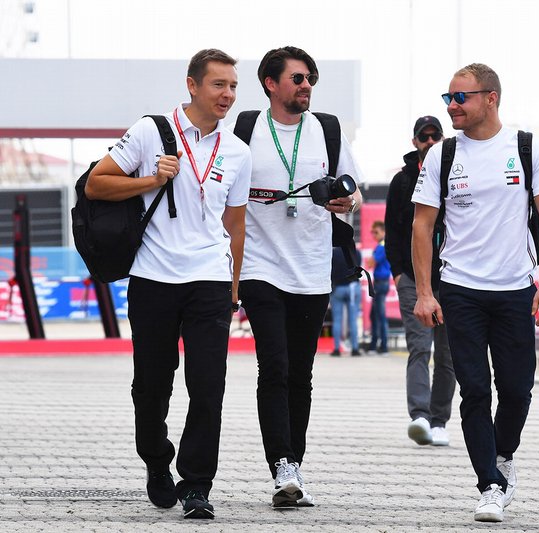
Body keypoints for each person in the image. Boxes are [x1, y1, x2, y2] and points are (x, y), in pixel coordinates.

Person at [85, 49, 252, 519]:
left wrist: (233, 286)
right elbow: (96, 185)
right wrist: (148, 181)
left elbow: (235, 224)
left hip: (210, 281)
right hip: (153, 278)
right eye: (219, 84)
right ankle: (158, 461)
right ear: (193, 85)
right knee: (153, 384)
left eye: (234, 86)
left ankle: (197, 483)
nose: (228, 95)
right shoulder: (150, 132)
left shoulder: (237, 150)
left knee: (209, 384)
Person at [411, 63, 539, 523]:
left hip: (517, 288)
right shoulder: (442, 155)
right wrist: (424, 292)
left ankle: (503, 456)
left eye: (461, 98)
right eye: (448, 98)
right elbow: (421, 225)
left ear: (490, 98)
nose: (452, 106)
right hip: (460, 290)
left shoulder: (526, 146)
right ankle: (490, 485)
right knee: (475, 390)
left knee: (516, 389)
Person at [237, 45, 364, 508]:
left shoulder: (327, 129)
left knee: (301, 373)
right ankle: (282, 465)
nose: (306, 84)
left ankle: (295, 469)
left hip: (312, 268)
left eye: (310, 77)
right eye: (297, 78)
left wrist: (345, 202)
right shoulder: (245, 129)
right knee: (274, 364)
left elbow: (353, 190)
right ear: (271, 84)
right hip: (258, 265)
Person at [385, 115, 455, 447]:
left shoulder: (456, 173)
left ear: (442, 138)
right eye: (423, 137)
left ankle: (439, 419)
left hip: (453, 277)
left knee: (448, 352)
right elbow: (393, 234)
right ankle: (420, 417)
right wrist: (400, 274)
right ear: (414, 141)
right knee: (418, 347)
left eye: (434, 136)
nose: (429, 141)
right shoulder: (401, 182)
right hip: (413, 278)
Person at [330, 246, 362, 356]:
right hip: (353, 288)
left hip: (338, 288)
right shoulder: (356, 252)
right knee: (353, 320)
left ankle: (337, 349)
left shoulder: (333, 254)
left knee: (337, 320)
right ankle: (355, 348)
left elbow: (330, 271)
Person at [367, 220, 390, 354]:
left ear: (383, 232)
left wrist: (372, 259)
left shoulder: (382, 246)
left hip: (381, 282)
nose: (374, 235)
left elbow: (371, 262)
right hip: (381, 282)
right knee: (375, 315)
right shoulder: (381, 246)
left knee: (379, 315)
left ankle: (382, 346)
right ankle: (376, 344)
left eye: (376, 232)